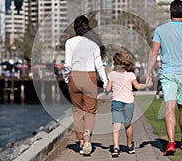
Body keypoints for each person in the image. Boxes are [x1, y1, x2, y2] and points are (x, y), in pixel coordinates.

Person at [146, 0, 182, 156]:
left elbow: (154, 52)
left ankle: (170, 143)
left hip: (168, 73)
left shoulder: (160, 30)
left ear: (170, 13)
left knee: (169, 108)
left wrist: (148, 73)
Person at [64, 15, 108, 156]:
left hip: (74, 77)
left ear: (75, 28)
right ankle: (88, 133)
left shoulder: (70, 42)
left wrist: (66, 78)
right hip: (90, 76)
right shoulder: (94, 44)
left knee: (77, 110)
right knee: (90, 111)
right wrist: (106, 81)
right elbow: (99, 66)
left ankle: (81, 143)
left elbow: (67, 65)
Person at [105, 51, 153, 158]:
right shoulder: (130, 75)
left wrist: (105, 89)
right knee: (128, 125)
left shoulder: (111, 75)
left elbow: (108, 90)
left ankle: (116, 148)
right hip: (129, 103)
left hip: (116, 102)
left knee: (116, 126)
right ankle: (130, 146)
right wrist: (148, 85)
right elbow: (138, 86)